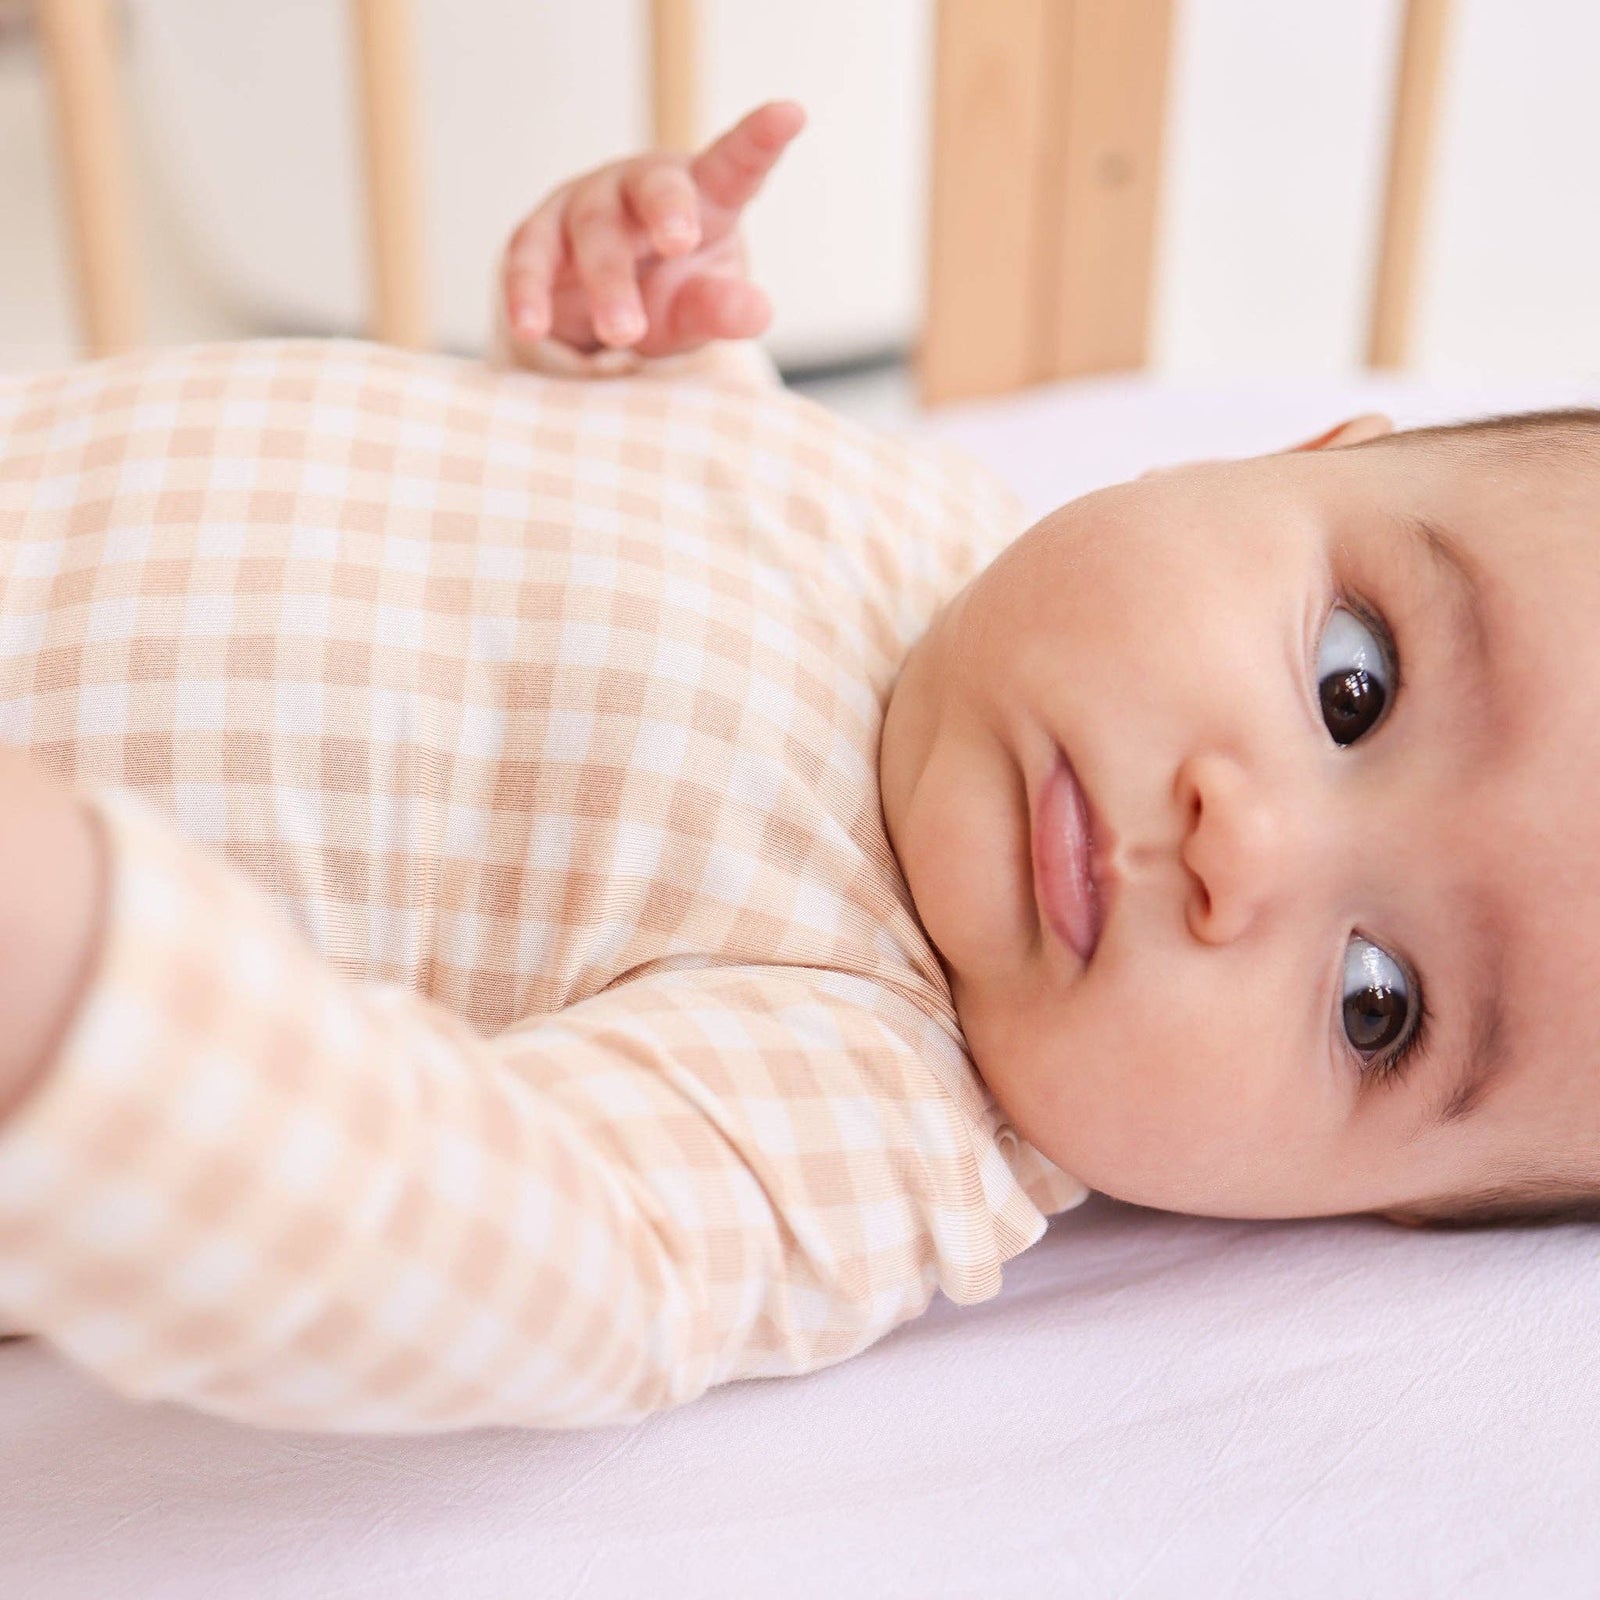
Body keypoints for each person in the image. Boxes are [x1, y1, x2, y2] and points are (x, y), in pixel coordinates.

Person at [0, 102, 1594, 1434]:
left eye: (1377, 1003)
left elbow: (505, 1247)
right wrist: (619, 342)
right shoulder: (930, 521)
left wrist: (95, 995)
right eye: (1353, 682)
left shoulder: (872, 1102)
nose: (1243, 850)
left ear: (1342, 1211)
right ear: (1300, 460)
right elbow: (592, 529)